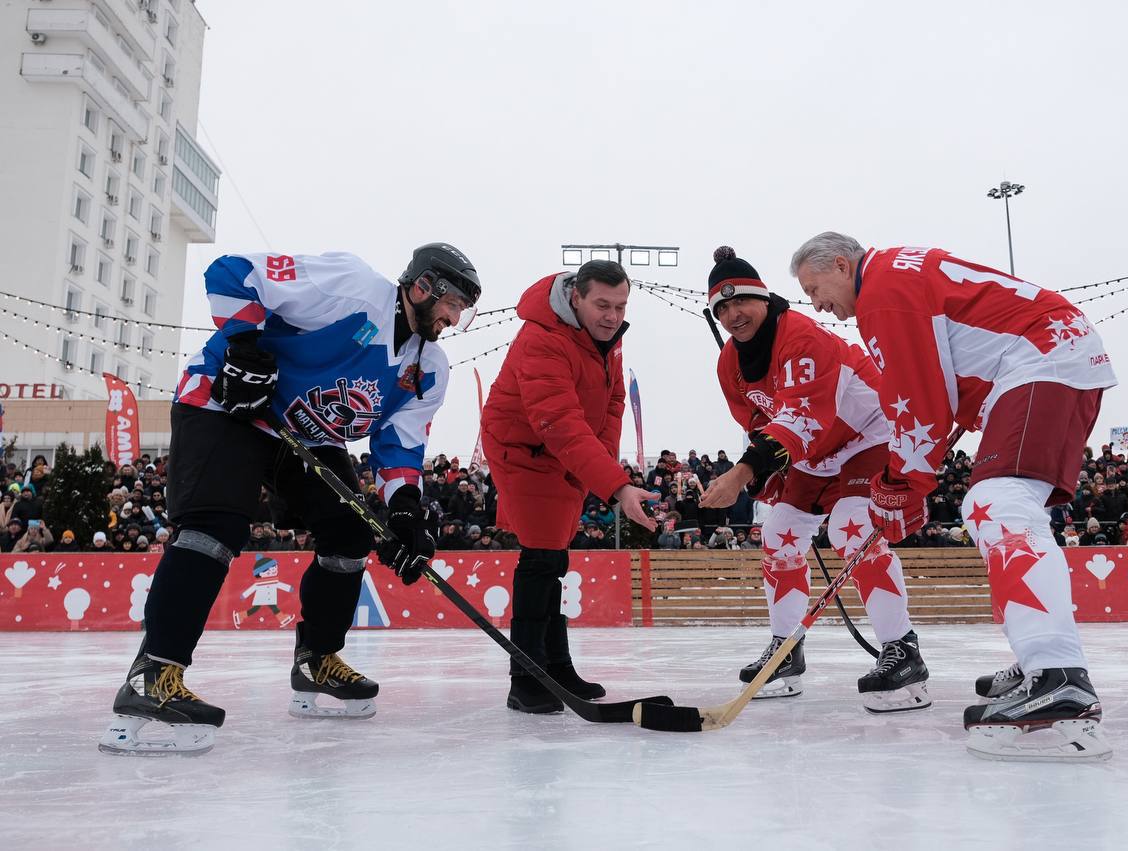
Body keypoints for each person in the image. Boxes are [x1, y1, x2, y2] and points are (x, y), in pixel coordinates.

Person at [99, 242, 481, 756]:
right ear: (422, 287)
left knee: (349, 533)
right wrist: (243, 345)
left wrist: (407, 513)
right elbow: (231, 272)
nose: (455, 318)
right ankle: (153, 675)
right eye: (452, 304)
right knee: (215, 526)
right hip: (226, 406)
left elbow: (400, 445)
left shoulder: (428, 367)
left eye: (462, 309)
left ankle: (317, 661)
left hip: (303, 436)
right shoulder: (349, 286)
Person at [792, 231, 1115, 761]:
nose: (816, 303)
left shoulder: (882, 293)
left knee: (997, 502)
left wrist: (900, 486)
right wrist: (908, 480)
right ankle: (1042, 659)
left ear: (843, 264)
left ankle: (1058, 675)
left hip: (1040, 357)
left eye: (814, 286)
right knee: (1006, 506)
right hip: (1043, 356)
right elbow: (937, 398)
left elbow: (918, 400)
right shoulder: (897, 275)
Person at [699, 247, 929, 710]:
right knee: (779, 534)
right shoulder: (729, 362)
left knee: (852, 527)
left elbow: (803, 417)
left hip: (867, 434)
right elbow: (760, 423)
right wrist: (767, 474)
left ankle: (902, 649)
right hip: (811, 451)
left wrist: (743, 470)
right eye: (721, 308)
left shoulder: (802, 337)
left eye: (739, 302)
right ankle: (786, 651)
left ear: (763, 298)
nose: (732, 314)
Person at [480, 259, 657, 714]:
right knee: (540, 557)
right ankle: (526, 679)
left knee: (555, 557)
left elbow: (613, 402)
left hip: (568, 453)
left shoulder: (607, 340)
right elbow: (557, 421)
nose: (612, 316)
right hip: (524, 451)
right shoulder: (541, 337)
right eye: (602, 304)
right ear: (576, 297)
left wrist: (599, 468)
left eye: (620, 306)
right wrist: (616, 487)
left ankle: (556, 666)